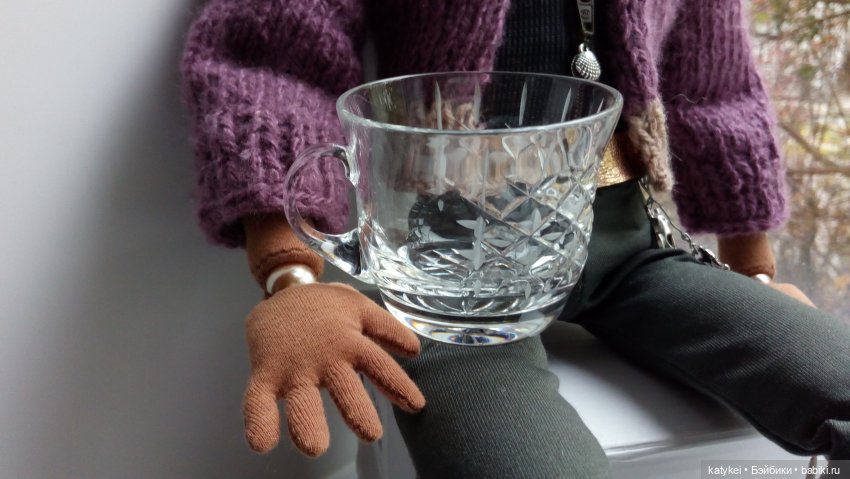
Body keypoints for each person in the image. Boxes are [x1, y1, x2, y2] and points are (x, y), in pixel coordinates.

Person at [180, 0, 850, 477]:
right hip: (448, 267)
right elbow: (274, 57)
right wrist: (290, 272)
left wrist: (754, 271)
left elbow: (715, 80)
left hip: (630, 240)